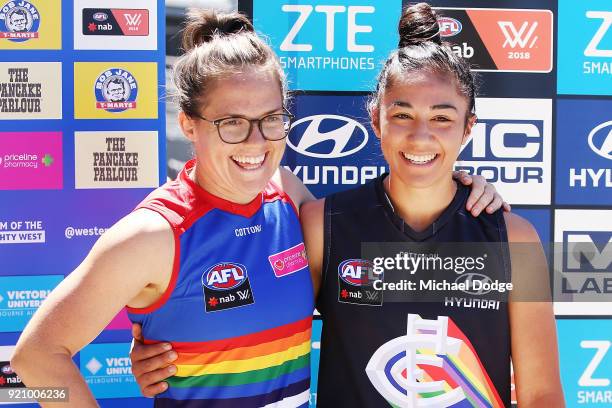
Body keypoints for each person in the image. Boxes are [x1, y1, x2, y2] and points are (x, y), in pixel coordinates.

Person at [12, 8, 506, 408]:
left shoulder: (289, 196)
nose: (256, 141)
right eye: (232, 122)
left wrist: (463, 188)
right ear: (188, 124)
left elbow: (386, 242)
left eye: (271, 119)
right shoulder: (151, 235)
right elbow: (35, 359)